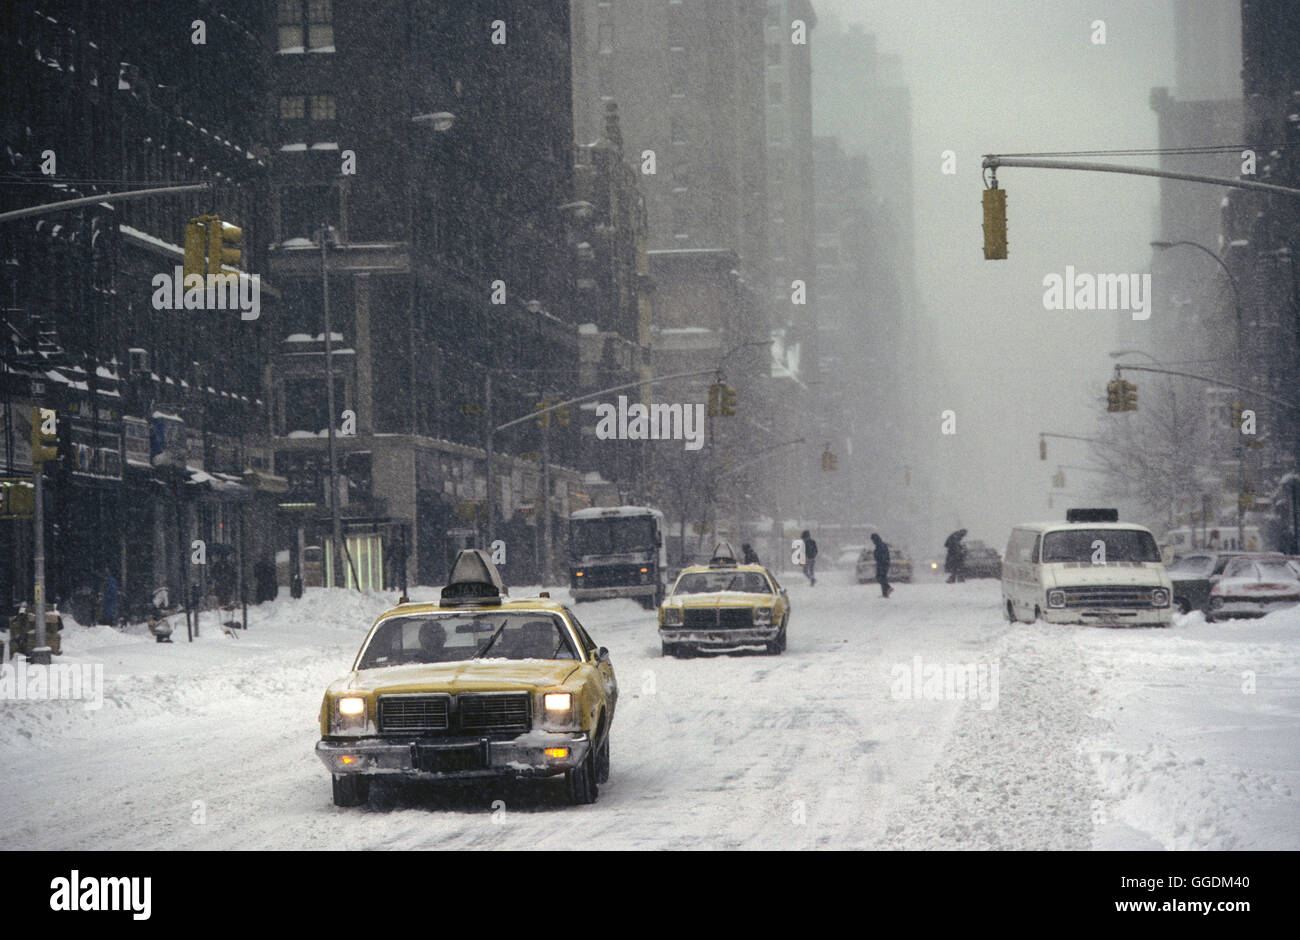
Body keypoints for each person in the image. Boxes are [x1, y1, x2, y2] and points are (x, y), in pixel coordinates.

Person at [871, 533, 892, 597]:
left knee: (880, 577)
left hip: (882, 564)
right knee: (882, 578)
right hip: (883, 563)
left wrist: (881, 560)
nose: (872, 541)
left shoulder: (880, 545)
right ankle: (885, 593)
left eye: (872, 540)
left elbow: (882, 555)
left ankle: (888, 588)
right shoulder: (880, 544)